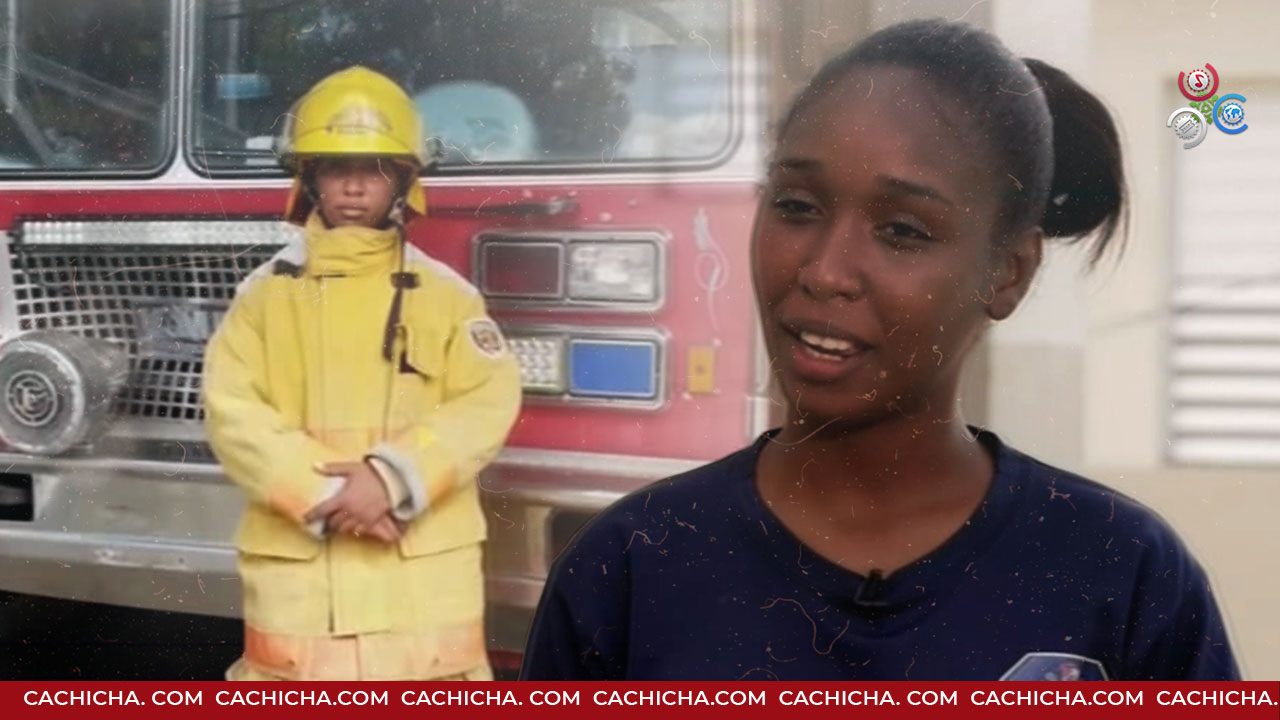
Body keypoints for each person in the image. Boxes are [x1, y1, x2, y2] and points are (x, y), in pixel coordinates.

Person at [520, 21, 1239, 681]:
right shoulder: (632, 567)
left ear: (1007, 273)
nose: (825, 271)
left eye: (902, 230)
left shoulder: (1123, 572)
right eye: (797, 206)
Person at [204, 66, 521, 681]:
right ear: (309, 179)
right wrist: (329, 496)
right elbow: (232, 410)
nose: (354, 187)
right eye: (335, 168)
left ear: (403, 179)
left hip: (420, 606)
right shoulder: (263, 297)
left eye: (374, 169)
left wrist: (392, 478)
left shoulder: (448, 297)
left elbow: (486, 400)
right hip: (305, 601)